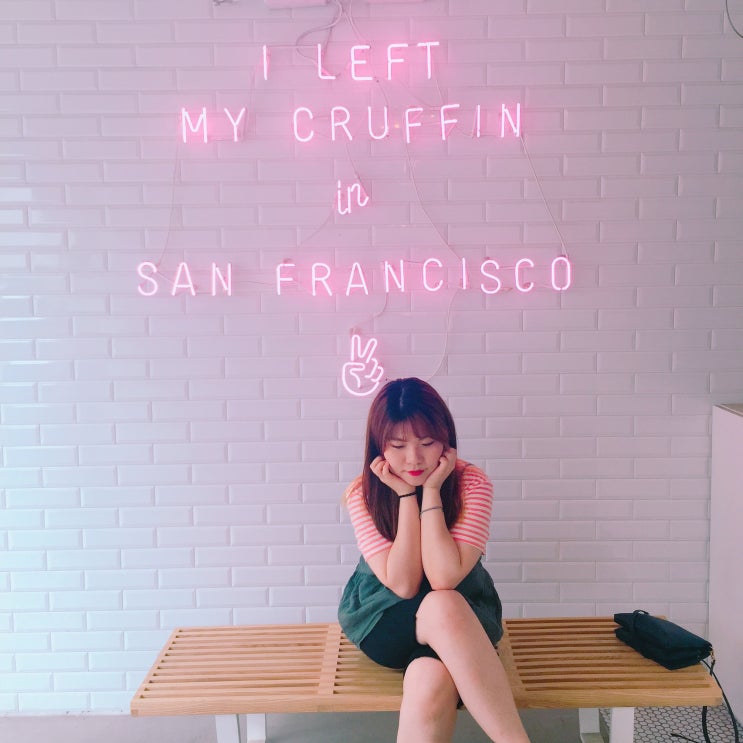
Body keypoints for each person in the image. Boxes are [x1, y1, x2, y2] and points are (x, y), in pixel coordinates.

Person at [338, 377, 531, 743]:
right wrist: (405, 497)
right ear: (378, 445)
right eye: (398, 446)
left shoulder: (471, 483)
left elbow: (444, 577)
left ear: (445, 440)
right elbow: (403, 584)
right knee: (441, 604)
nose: (414, 458)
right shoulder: (362, 492)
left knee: (431, 679)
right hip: (385, 616)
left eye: (427, 443)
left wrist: (431, 491)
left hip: (463, 620)